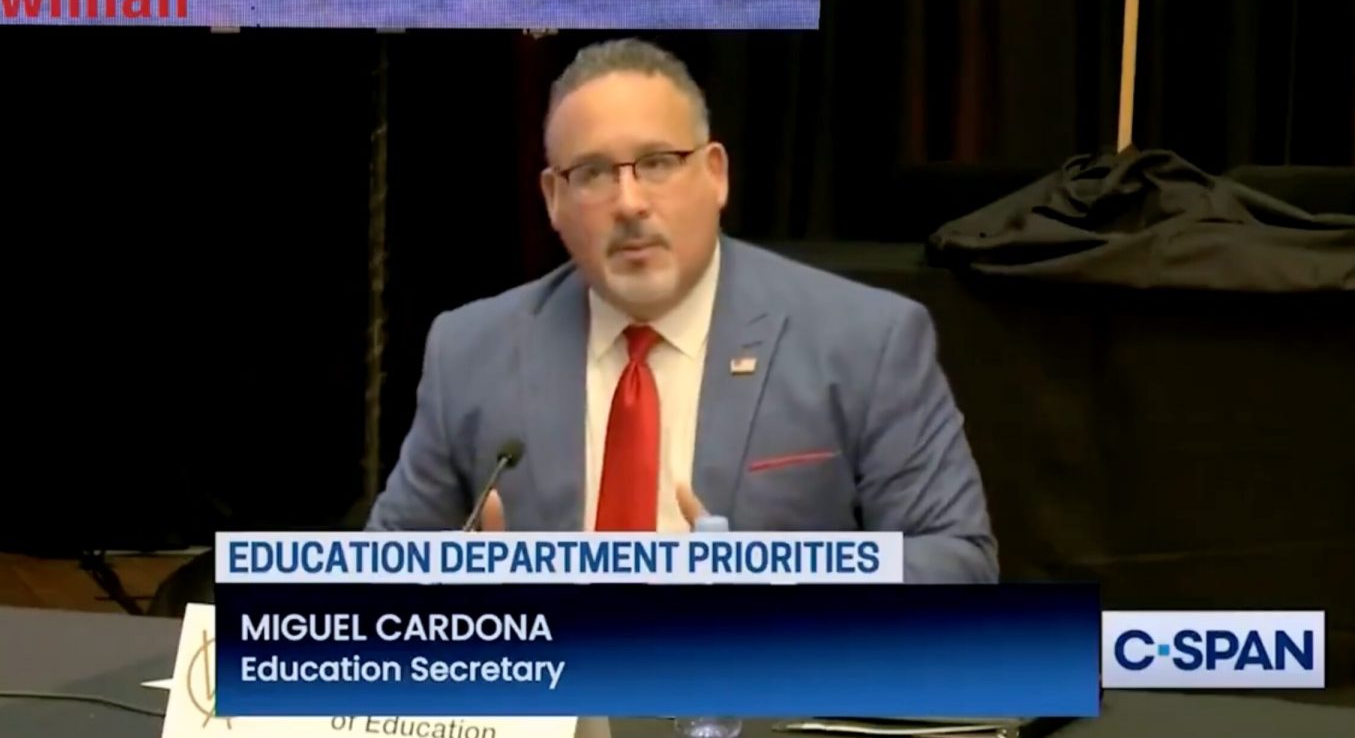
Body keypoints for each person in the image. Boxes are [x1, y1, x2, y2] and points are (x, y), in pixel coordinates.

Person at [367, 38, 997, 583]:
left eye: (658, 163)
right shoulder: (472, 350)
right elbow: (379, 575)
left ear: (715, 175)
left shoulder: (865, 340)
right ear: (554, 199)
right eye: (593, 173)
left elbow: (957, 561)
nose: (629, 203)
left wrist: (771, 583)